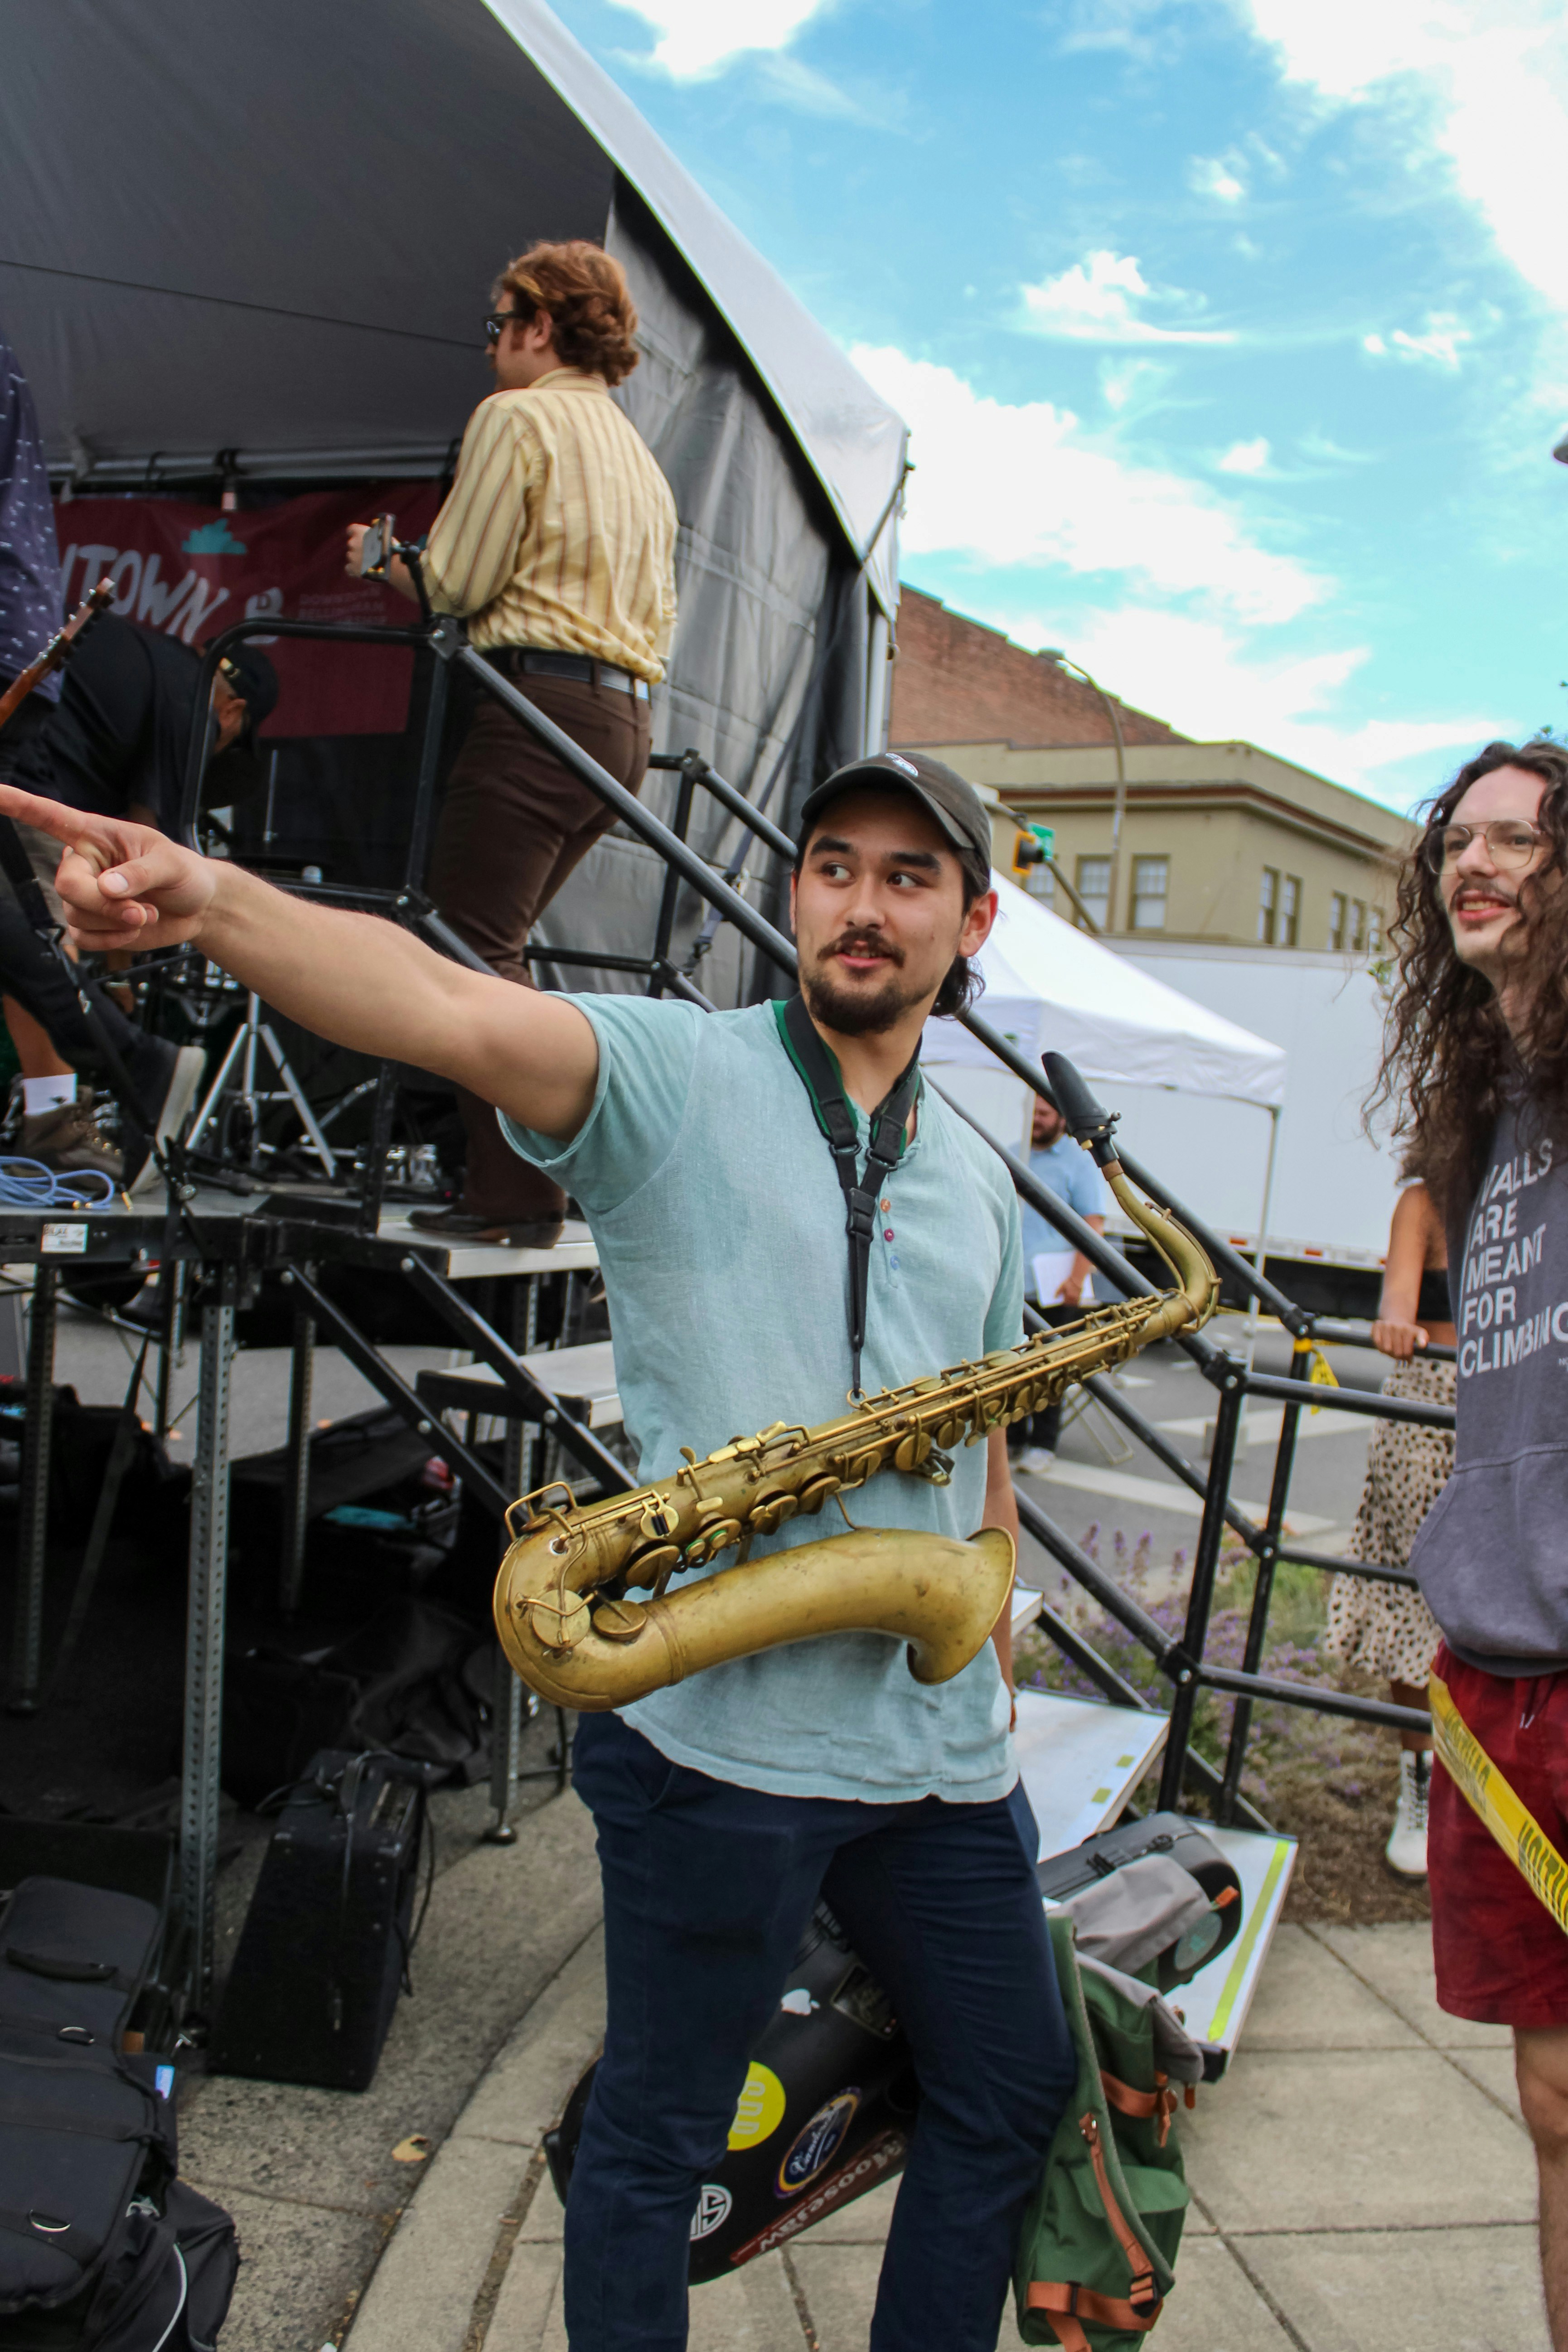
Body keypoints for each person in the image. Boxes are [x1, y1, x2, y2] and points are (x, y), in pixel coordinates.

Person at [0, 746, 1076, 2352]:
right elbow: (438, 1003)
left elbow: (984, 1458)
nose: (865, 905)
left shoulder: (988, 1183)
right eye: (836, 864)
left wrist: (989, 1647)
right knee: (656, 2137)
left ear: (970, 921)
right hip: (720, 1747)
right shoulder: (673, 1074)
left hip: (933, 1757)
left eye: (910, 877)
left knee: (1014, 2086)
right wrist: (214, 899)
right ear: (794, 890)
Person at [346, 239, 679, 1248]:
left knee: (465, 948)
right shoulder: (638, 455)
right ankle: (537, 1174)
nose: (489, 345)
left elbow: (455, 584)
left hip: (539, 705)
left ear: (540, 326)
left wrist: (379, 561)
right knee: (496, 945)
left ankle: (516, 1189)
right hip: (619, 724)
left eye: (497, 324)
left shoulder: (517, 416)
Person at [1373, 736, 1568, 2350]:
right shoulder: (1483, 1116)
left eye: (1522, 837)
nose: (1476, 860)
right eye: (1459, 835)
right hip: (1500, 1674)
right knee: (1553, 2101)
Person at [3, 615, 274, 1181]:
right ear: (233, 714)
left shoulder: (150, 656)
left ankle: (57, 1120)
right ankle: (83, 1102)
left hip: (25, 752)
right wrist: (121, 976)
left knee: (22, 944)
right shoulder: (194, 703)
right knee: (35, 936)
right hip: (24, 766)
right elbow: (140, 851)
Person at [1324, 1176, 1452, 1878]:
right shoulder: (1426, 1201)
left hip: (1521, 1410)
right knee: (1416, 1600)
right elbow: (1397, 1298)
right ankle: (1422, 1782)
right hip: (1431, 1406)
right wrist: (1397, 1323)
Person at [1008, 1088, 1108, 1476]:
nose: (1037, 1119)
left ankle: (1043, 1443)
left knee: (1050, 1369)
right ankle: (1014, 1438)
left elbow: (1092, 1224)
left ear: (1062, 1119)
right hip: (1015, 1283)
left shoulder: (1077, 1163)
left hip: (1056, 1287)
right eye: (1032, 1110)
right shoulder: (1014, 1153)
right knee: (1011, 1366)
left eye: (1045, 1113)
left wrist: (1077, 1278)